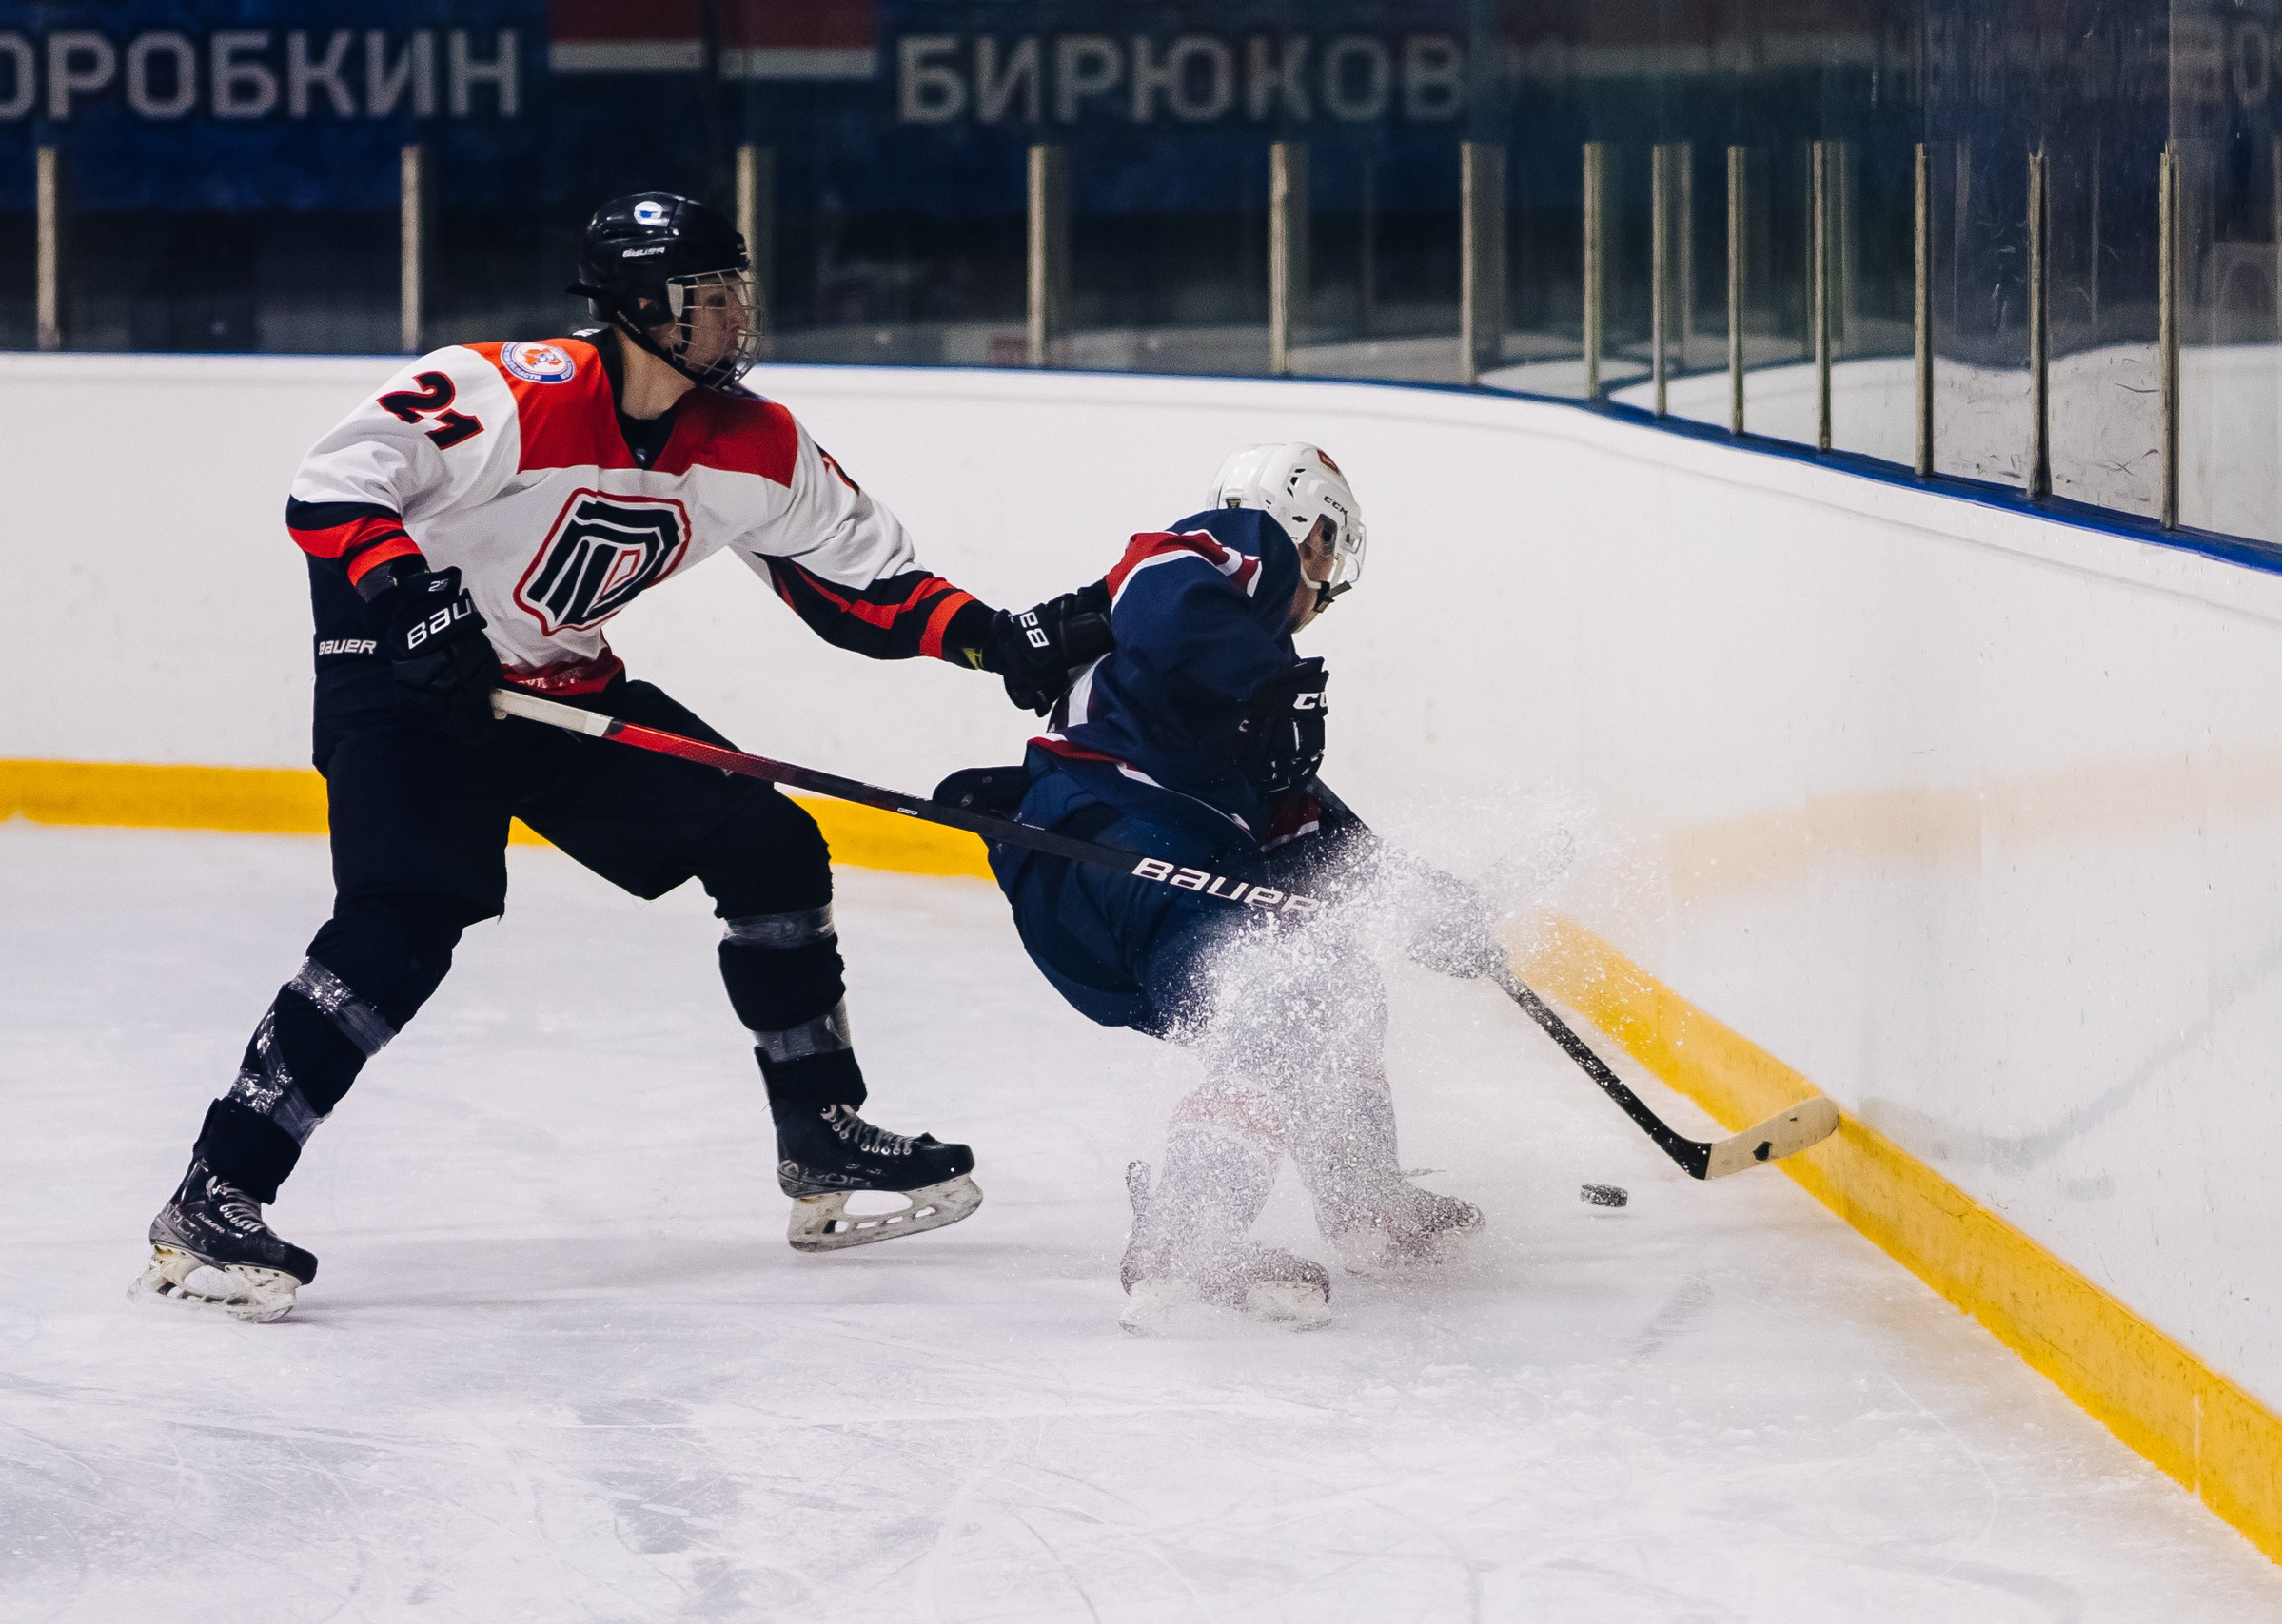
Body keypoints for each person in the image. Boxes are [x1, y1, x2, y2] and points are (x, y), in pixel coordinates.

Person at [133, 191, 1111, 1322]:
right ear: (641, 306)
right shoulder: (516, 389)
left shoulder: (756, 443)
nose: (737, 314)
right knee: (401, 926)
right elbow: (337, 480)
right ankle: (216, 1192)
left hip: (562, 695)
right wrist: (407, 599)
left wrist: (992, 639)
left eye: (739, 291)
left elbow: (860, 585)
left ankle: (820, 1133)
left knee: (770, 846)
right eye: (709, 296)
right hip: (409, 687)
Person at [956, 443, 1490, 1330]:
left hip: (1109, 893)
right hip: (1118, 839)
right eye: (1327, 552)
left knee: (1331, 983)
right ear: (1310, 532)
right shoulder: (1231, 557)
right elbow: (1157, 577)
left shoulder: (1242, 698)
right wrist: (1273, 684)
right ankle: (1186, 1236)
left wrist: (1421, 904)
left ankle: (1364, 1201)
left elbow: (1311, 840)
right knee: (1282, 1000)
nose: (1326, 583)